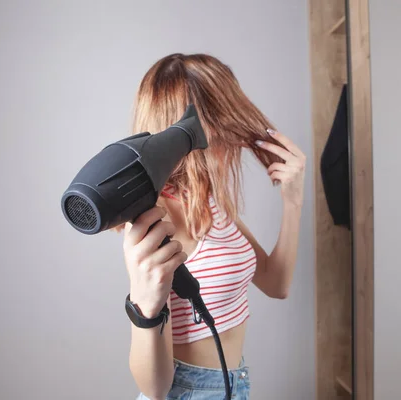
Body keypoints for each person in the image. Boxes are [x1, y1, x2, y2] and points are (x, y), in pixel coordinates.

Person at [121, 53, 305, 400]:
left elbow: (275, 283)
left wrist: (292, 201)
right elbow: (155, 389)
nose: (235, 139)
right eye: (221, 124)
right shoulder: (154, 217)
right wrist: (145, 304)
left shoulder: (207, 200)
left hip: (232, 384)